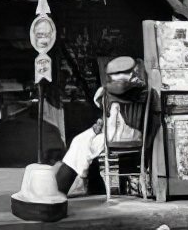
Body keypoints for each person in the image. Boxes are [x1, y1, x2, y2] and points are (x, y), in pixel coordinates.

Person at [50, 56, 148, 197]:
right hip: (120, 131)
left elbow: (118, 89)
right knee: (80, 140)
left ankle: (61, 188)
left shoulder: (128, 87)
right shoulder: (133, 88)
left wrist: (105, 88)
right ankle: (82, 183)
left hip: (123, 134)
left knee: (82, 146)